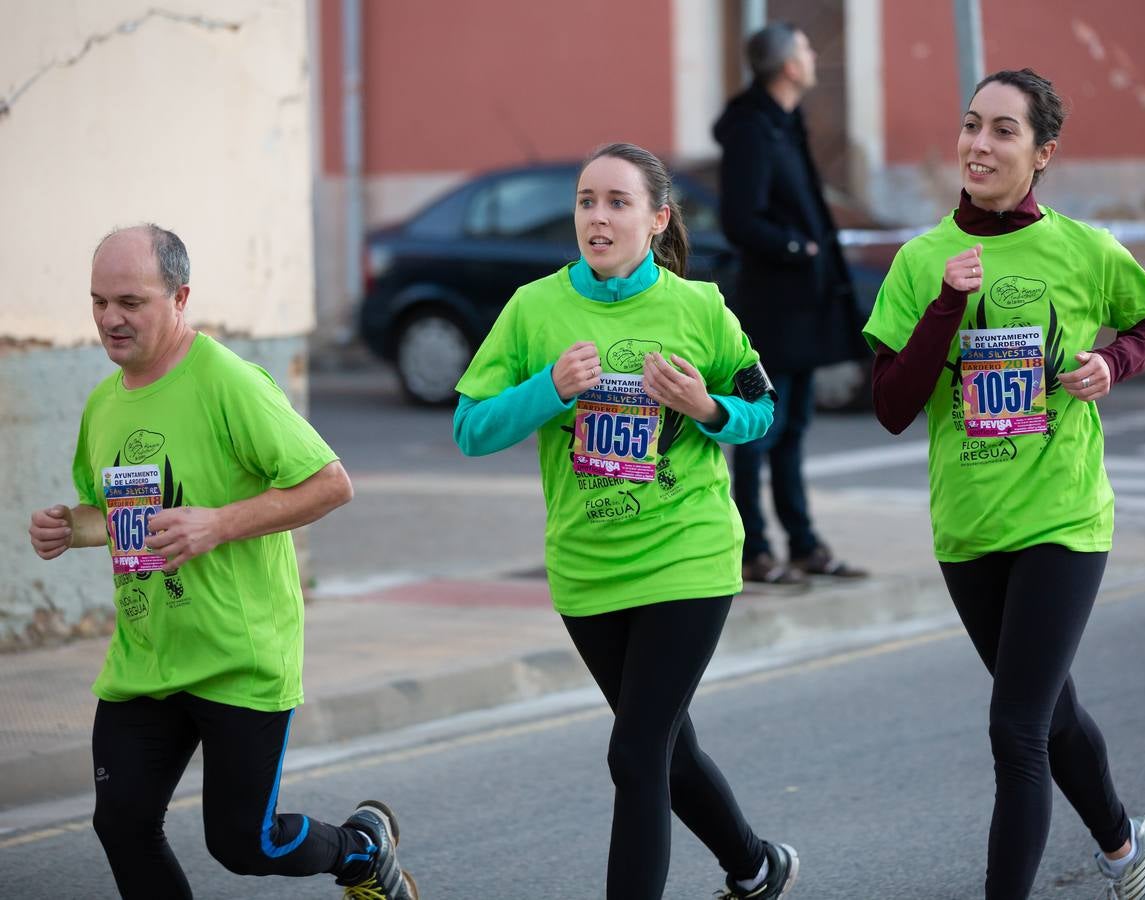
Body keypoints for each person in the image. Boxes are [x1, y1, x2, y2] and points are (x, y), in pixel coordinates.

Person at [27, 225, 418, 900]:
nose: (110, 319)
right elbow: (123, 518)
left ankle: (360, 851)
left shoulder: (228, 382)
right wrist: (70, 527)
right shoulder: (103, 404)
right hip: (147, 654)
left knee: (243, 842)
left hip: (238, 654)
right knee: (122, 823)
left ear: (180, 298)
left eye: (130, 301)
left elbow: (329, 483)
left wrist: (219, 524)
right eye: (98, 301)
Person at [454, 143, 798, 900]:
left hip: (688, 555)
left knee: (636, 753)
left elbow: (763, 410)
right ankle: (754, 865)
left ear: (657, 218)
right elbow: (470, 428)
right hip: (588, 567)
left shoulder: (699, 307)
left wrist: (705, 408)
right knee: (666, 751)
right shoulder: (534, 309)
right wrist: (548, 388)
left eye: (616, 202)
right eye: (585, 201)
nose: (597, 217)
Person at [863, 69, 1145, 899]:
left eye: (1003, 130)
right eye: (971, 125)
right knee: (1050, 711)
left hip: (1063, 517)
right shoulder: (922, 259)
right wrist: (942, 305)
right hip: (967, 525)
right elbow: (892, 405)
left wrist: (1112, 361)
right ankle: (1123, 847)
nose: (978, 144)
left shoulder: (1083, 249)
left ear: (1041, 154)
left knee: (1016, 729)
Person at [714, 22, 868, 587]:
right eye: (806, 48)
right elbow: (740, 219)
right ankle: (754, 548)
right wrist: (795, 246)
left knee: (795, 427)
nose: (813, 55)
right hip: (772, 310)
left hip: (804, 306)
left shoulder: (785, 122)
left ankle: (802, 543)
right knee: (761, 430)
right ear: (788, 67)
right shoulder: (753, 129)